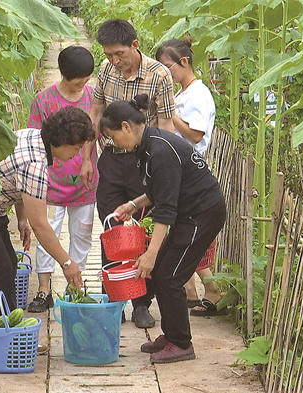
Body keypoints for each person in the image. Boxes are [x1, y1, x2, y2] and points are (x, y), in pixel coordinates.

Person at [100, 94, 226, 363]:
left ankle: (182, 344)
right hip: (188, 211)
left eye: (113, 137)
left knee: (169, 276)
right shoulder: (148, 145)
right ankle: (170, 336)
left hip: (201, 214)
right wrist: (133, 204)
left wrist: (150, 253)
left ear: (126, 126)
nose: (114, 144)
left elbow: (166, 209)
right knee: (162, 273)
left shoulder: (160, 151)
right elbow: (159, 190)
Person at [0, 107, 93, 316]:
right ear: (62, 141)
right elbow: (41, 224)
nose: (77, 155)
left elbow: (19, 185)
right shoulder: (35, 164)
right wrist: (67, 263)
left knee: (7, 263)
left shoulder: (34, 135)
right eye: (76, 148)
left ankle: (7, 325)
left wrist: (22, 218)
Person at [84, 18, 176, 329]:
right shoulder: (107, 70)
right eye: (108, 55)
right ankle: (114, 299)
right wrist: (87, 158)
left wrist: (162, 165)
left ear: (135, 45)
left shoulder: (159, 75)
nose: (114, 60)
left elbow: (166, 123)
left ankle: (141, 302)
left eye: (119, 53)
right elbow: (95, 114)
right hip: (110, 159)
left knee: (141, 230)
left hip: (143, 161)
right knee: (112, 229)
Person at [26, 46, 98, 313]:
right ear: (65, 74)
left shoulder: (93, 98)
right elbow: (33, 138)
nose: (84, 83)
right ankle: (44, 289)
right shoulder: (44, 100)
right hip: (49, 183)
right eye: (79, 78)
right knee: (48, 233)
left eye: (87, 77)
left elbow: (96, 134)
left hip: (85, 182)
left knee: (82, 234)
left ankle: (73, 286)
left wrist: (87, 160)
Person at [155, 38, 224, 316]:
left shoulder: (197, 94)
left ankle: (213, 291)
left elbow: (195, 134)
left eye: (167, 66)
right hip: (180, 169)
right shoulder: (185, 91)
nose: (166, 73)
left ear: (184, 62)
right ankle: (192, 291)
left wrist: (169, 113)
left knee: (189, 236)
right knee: (184, 234)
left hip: (190, 171)